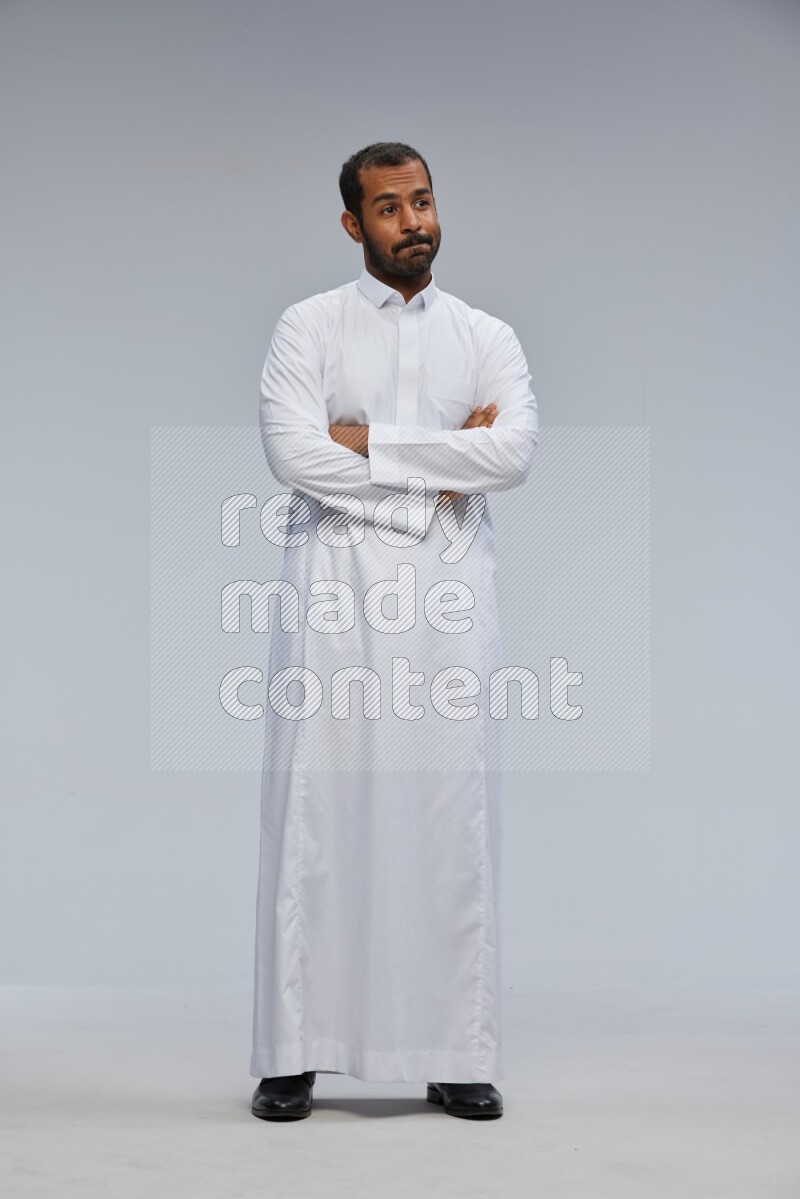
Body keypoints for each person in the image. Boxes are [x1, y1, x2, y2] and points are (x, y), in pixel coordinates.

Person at [250, 142, 539, 1121]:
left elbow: (511, 453)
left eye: (420, 201)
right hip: (333, 592)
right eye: (387, 207)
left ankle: (456, 1050)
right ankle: (293, 1047)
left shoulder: (484, 334)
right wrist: (437, 470)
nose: (412, 220)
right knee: (316, 811)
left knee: (445, 808)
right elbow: (295, 454)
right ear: (351, 224)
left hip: (452, 600)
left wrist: (368, 439)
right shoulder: (309, 326)